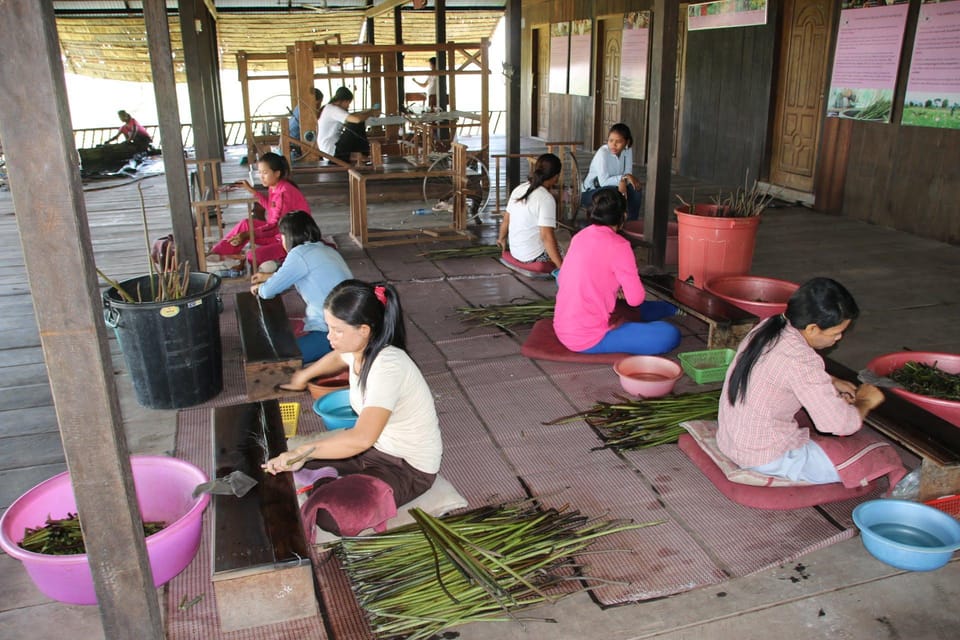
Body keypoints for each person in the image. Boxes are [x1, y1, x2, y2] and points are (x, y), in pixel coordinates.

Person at [263, 280, 442, 509]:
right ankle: (332, 480)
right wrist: (304, 375)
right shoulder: (358, 349)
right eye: (329, 328)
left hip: (407, 467)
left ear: (364, 330)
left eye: (337, 331)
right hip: (374, 450)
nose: (330, 337)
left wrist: (303, 453)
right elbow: (337, 357)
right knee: (290, 458)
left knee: (332, 512)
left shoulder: (388, 366)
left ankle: (332, 483)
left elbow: (361, 438)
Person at [717, 277, 885, 484]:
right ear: (813, 329)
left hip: (729, 440)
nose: (839, 338)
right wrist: (864, 402)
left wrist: (830, 380)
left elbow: (782, 369)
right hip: (762, 457)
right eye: (837, 333)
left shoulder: (771, 324)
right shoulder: (802, 359)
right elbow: (839, 424)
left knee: (810, 417)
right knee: (871, 457)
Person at [553, 187, 681, 355]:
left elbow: (562, 278)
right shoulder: (620, 246)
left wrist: (612, 286)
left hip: (562, 326)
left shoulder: (579, 237)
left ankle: (673, 308)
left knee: (631, 310)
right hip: (586, 338)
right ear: (624, 216)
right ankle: (672, 309)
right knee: (669, 333)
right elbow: (635, 299)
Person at [250, 211, 352, 364]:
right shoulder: (326, 249)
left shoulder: (299, 254)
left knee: (278, 361)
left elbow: (267, 291)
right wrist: (268, 277)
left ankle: (331, 355)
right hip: (351, 323)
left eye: (282, 236)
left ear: (289, 236)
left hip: (330, 332)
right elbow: (298, 273)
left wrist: (259, 287)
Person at [208, 152, 310, 270]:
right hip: (279, 233)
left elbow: (275, 226)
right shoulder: (275, 186)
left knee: (253, 256)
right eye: (259, 172)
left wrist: (248, 234)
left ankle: (282, 261)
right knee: (245, 224)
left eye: (265, 173)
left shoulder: (284, 192)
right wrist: (251, 190)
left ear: (277, 173)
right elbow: (271, 208)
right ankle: (217, 254)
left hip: (292, 240)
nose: (261, 176)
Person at [496, 153, 564, 269]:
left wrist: (501, 239)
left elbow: (506, 220)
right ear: (556, 177)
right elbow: (546, 237)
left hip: (515, 252)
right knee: (566, 239)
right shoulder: (546, 198)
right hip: (533, 257)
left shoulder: (519, 189)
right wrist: (561, 268)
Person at [582, 123, 642, 221]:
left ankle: (631, 221)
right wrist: (622, 179)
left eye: (618, 141)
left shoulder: (628, 150)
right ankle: (614, 223)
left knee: (636, 187)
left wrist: (625, 179)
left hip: (613, 187)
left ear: (627, 142)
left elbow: (628, 172)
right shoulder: (603, 153)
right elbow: (603, 182)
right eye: (611, 140)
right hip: (591, 192)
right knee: (614, 193)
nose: (613, 145)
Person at [316, 87, 381, 161]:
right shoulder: (332, 109)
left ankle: (360, 153)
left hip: (332, 152)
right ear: (344, 101)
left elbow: (352, 115)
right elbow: (356, 119)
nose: (348, 106)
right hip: (332, 153)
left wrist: (368, 111)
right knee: (356, 123)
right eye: (348, 103)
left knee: (356, 121)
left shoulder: (329, 108)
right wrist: (371, 113)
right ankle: (363, 152)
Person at [288, 88, 323, 156]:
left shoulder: (300, 107)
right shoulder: (306, 111)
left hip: (293, 143)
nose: (319, 105)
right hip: (294, 147)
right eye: (319, 103)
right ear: (314, 101)